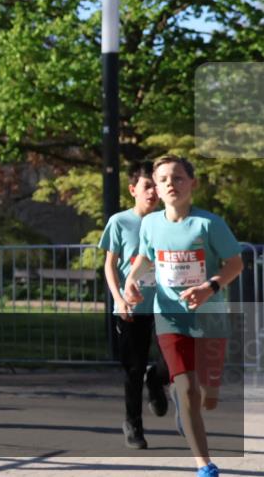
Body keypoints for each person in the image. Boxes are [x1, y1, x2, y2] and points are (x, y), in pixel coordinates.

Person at [124, 155, 244, 477]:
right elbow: (145, 258)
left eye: (178, 178)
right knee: (188, 389)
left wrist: (210, 287)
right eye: (163, 179)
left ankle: (176, 396)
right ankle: (204, 464)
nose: (170, 184)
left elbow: (235, 264)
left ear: (193, 184)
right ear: (157, 189)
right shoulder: (150, 224)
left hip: (208, 317)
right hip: (170, 317)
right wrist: (131, 279)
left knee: (205, 395)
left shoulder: (209, 224)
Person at [100, 160, 169, 449]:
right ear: (133, 190)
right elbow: (110, 266)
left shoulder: (169, 220)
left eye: (156, 185)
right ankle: (134, 424)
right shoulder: (120, 221)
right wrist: (118, 299)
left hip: (166, 304)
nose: (153, 191)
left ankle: (156, 379)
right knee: (133, 367)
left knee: (171, 362)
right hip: (132, 306)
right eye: (147, 186)